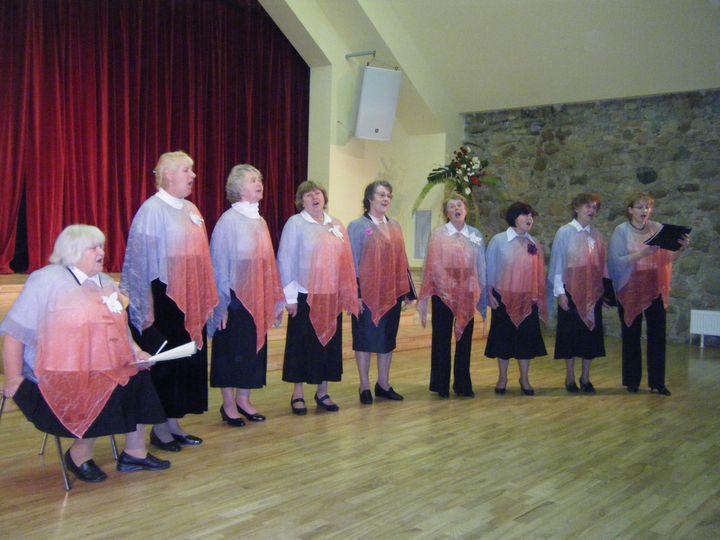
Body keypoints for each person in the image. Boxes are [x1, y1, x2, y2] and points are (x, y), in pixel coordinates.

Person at [1, 225, 170, 483]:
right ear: (73, 250)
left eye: (102, 246)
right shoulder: (46, 280)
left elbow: (122, 328)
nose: (102, 252)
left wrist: (137, 352)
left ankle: (135, 452)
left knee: (136, 377)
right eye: (95, 247)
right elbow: (15, 333)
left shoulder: (105, 283)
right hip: (56, 370)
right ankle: (79, 455)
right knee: (101, 383)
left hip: (102, 365)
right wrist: (13, 379)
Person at [121, 151, 218, 451]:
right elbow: (139, 263)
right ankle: (160, 428)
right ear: (168, 174)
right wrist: (146, 307)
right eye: (187, 170)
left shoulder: (191, 209)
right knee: (166, 365)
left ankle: (174, 423)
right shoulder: (151, 210)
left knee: (186, 362)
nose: (193, 175)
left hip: (190, 297)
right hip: (163, 299)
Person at [208, 165, 284, 426]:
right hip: (233, 298)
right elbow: (218, 263)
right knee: (230, 351)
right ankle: (228, 404)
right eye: (252, 180)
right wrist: (221, 304)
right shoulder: (228, 220)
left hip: (257, 295)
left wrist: (271, 296)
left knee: (251, 350)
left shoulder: (260, 221)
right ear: (238, 187)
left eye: (259, 179)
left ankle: (244, 399)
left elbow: (267, 262)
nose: (259, 183)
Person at [277, 181, 359, 414]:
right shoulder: (296, 223)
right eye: (308, 195)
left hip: (331, 296)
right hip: (305, 295)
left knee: (329, 345)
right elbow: (285, 259)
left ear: (324, 198)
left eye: (318, 193)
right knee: (301, 346)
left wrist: (347, 293)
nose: (315, 197)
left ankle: (323, 392)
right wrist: (290, 298)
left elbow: (347, 261)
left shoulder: (336, 224)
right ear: (300, 201)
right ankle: (298, 394)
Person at [608, 192, 690, 395]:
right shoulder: (621, 230)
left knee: (657, 335)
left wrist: (681, 249)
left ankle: (657, 383)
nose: (644, 211)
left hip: (654, 287)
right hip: (630, 287)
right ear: (630, 210)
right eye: (639, 207)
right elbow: (616, 261)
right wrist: (643, 253)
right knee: (631, 334)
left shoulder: (657, 228)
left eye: (647, 207)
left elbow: (667, 258)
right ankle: (632, 381)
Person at [348, 181, 415, 405]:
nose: (386, 199)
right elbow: (351, 261)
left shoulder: (395, 226)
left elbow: (402, 258)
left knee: (387, 339)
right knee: (364, 340)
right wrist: (355, 293)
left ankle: (383, 384)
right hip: (366, 295)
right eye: (381, 195)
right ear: (370, 198)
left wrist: (406, 291)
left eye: (388, 195)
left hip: (390, 293)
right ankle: (364, 385)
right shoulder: (357, 226)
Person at [418, 194, 487, 398]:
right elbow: (434, 264)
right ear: (447, 213)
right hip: (443, 292)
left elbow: (480, 263)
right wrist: (449, 283)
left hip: (467, 291)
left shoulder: (475, 235)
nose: (456, 208)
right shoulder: (438, 234)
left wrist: (475, 283)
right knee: (441, 337)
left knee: (465, 338)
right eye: (451, 206)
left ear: (466, 209)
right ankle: (440, 384)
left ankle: (462, 384)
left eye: (460, 205)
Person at [548, 193, 610, 394]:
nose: (591, 210)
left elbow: (602, 266)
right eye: (587, 206)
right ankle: (569, 376)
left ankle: (585, 377)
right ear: (576, 208)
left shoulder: (597, 235)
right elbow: (558, 263)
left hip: (592, 292)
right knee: (570, 336)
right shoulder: (564, 232)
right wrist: (560, 293)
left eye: (594, 207)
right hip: (571, 290)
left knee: (589, 337)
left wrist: (605, 293)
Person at [485, 201, 547, 395]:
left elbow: (539, 273)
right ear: (514, 217)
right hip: (503, 297)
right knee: (503, 339)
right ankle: (502, 378)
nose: (529, 218)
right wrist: (489, 294)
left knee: (525, 341)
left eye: (531, 215)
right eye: (525, 214)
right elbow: (489, 268)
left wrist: (538, 296)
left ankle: (524, 378)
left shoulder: (534, 243)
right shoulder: (498, 240)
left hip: (528, 298)